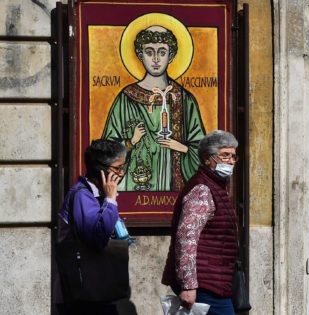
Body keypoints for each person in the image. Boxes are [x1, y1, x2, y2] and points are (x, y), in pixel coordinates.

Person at [102, 24, 206, 192]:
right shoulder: (125, 99)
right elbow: (105, 151)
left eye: (162, 52)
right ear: (140, 55)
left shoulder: (184, 99)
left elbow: (203, 151)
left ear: (171, 56)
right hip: (132, 187)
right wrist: (131, 142)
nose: (156, 59)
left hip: (174, 192)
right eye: (150, 52)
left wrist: (180, 147)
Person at [162, 130, 239, 315]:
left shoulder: (216, 186)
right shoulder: (202, 189)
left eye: (233, 156)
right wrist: (188, 285)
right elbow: (186, 238)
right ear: (207, 159)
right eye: (224, 155)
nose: (230, 161)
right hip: (205, 284)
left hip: (215, 280)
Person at [54, 139, 127, 315]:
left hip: (98, 291)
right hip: (82, 297)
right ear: (101, 170)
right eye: (117, 168)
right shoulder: (82, 196)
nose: (122, 173)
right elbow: (96, 239)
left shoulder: (97, 195)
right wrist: (110, 201)